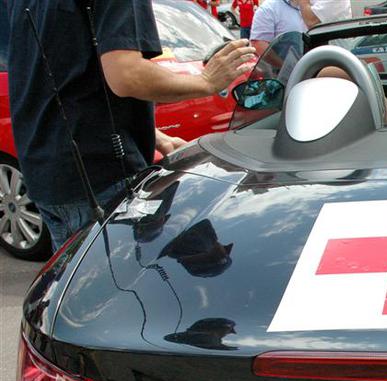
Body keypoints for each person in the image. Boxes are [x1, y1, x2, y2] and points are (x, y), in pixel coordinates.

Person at [8, 0, 255, 251]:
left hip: (46, 172)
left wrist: (158, 137)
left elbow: (67, 72)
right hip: (99, 176)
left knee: (81, 273)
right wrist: (206, 81)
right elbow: (126, 74)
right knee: (119, 273)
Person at [250, 0, 353, 56]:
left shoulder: (310, 4)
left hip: (333, 62)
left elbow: (310, 20)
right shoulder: (269, 7)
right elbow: (259, 44)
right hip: (285, 74)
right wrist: (283, 67)